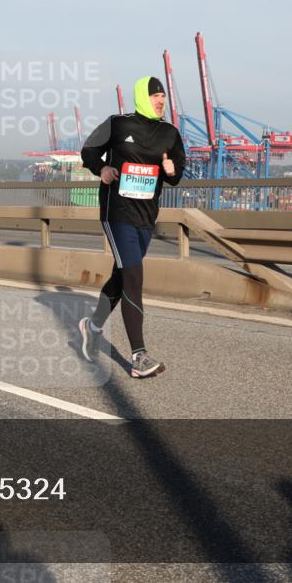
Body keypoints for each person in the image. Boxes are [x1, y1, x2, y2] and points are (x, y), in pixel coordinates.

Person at [78, 76, 186, 378]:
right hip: (117, 212)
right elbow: (88, 151)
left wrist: (171, 170)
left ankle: (92, 326)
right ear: (142, 96)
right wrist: (103, 169)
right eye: (155, 95)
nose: (160, 100)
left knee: (122, 275)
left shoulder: (170, 133)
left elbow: (177, 174)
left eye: (163, 95)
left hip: (146, 216)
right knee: (134, 277)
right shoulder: (118, 124)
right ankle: (139, 357)